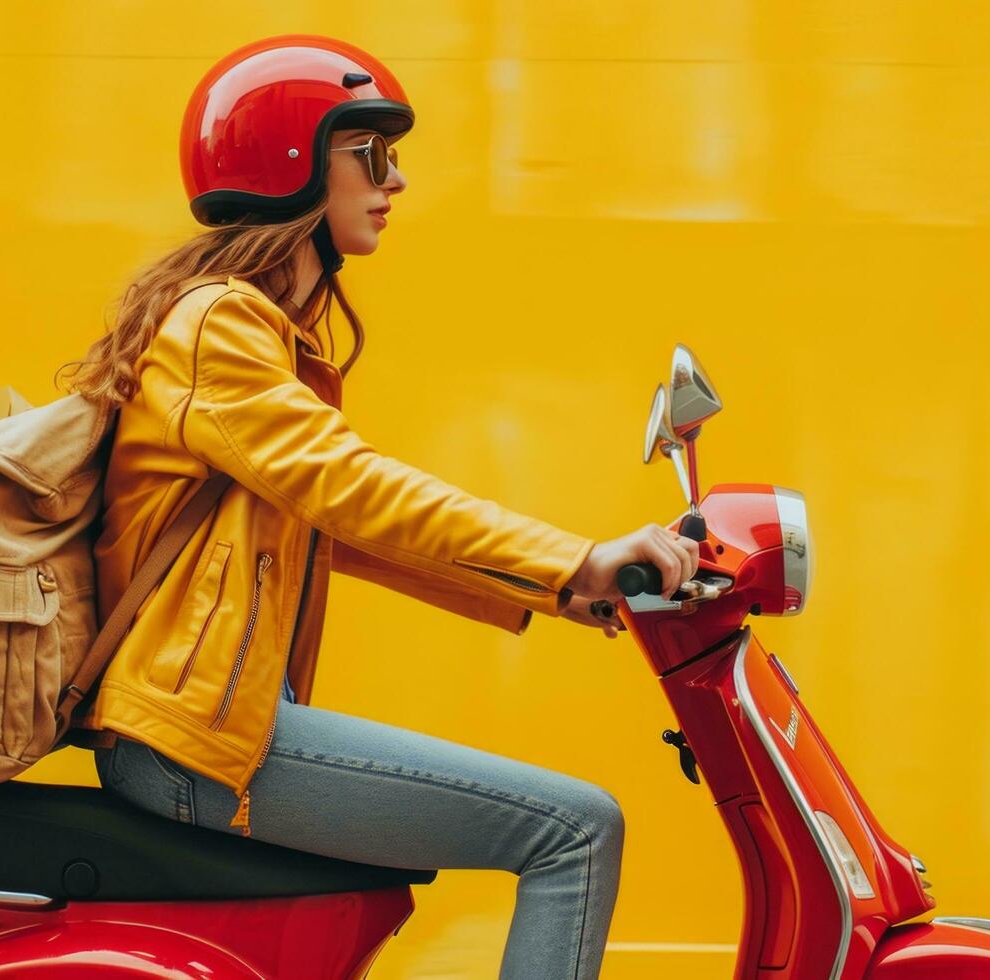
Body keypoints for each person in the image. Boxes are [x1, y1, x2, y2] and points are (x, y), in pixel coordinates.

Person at [56, 34, 699, 980]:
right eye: (370, 155)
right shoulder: (220, 328)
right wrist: (573, 557)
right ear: (290, 166)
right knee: (575, 831)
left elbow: (327, 526)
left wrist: (561, 590)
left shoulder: (234, 326)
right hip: (190, 739)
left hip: (205, 725)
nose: (393, 182)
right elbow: (354, 489)